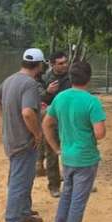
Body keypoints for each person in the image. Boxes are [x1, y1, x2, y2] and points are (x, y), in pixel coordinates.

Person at [42, 61, 107, 222]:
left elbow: (46, 124)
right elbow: (100, 133)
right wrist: (87, 136)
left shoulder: (60, 97)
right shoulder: (91, 101)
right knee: (78, 200)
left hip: (68, 156)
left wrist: (56, 148)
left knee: (66, 197)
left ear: (71, 77)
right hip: (85, 157)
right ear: (89, 78)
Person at [0, 48, 45, 222]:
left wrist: (7, 118)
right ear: (40, 65)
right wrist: (37, 134)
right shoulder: (30, 84)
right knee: (19, 182)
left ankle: (24, 213)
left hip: (11, 138)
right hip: (23, 141)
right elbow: (28, 112)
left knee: (24, 177)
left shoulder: (11, 79)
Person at [37, 51, 72, 197]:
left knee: (72, 150)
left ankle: (74, 182)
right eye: (61, 63)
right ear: (52, 64)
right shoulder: (45, 78)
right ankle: (54, 186)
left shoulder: (71, 76)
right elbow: (38, 98)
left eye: (65, 62)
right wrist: (48, 92)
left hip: (70, 119)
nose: (64, 65)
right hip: (52, 121)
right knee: (52, 152)